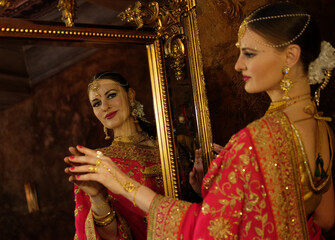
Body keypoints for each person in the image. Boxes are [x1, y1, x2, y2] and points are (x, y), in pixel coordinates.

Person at [65, 2, 335, 239]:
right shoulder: (321, 126)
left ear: (290, 56)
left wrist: (119, 181)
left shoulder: (259, 137)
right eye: (96, 103)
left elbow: (210, 230)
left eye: (249, 53)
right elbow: (324, 219)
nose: (238, 64)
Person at [64, 71, 164, 240]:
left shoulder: (170, 147)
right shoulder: (98, 163)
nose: (104, 106)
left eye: (111, 95)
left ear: (130, 95)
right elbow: (107, 236)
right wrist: (97, 197)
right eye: (96, 103)